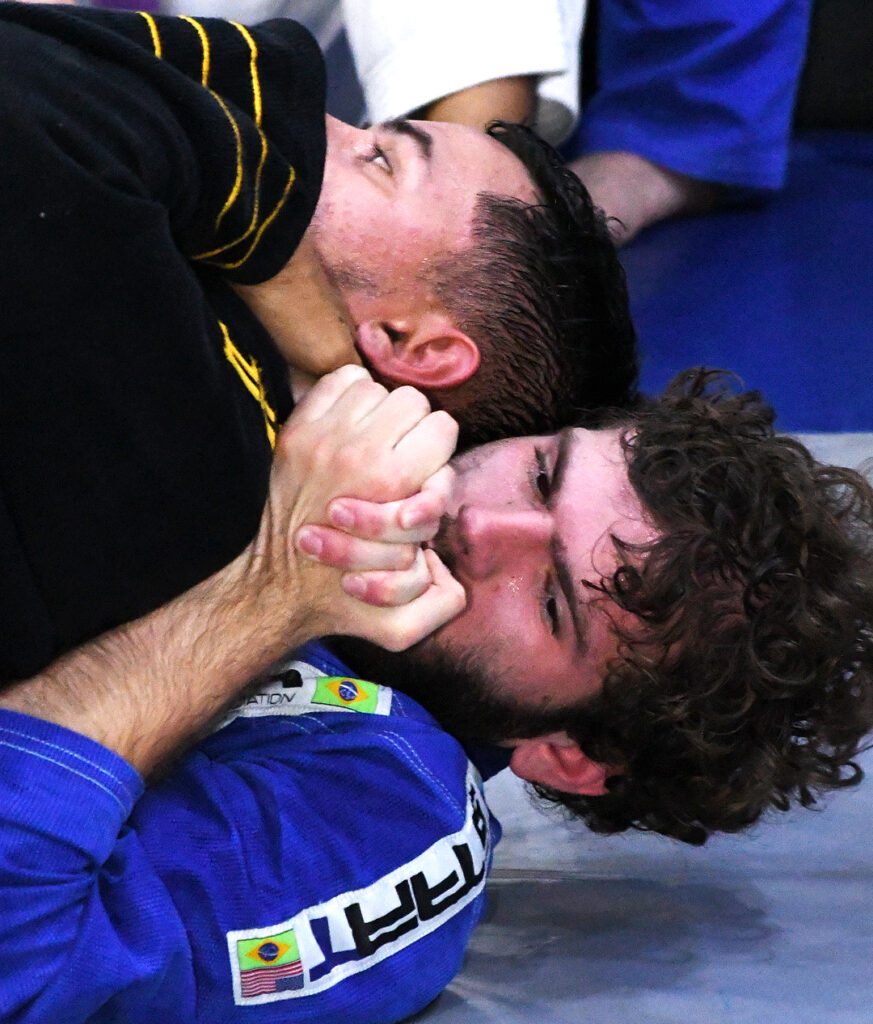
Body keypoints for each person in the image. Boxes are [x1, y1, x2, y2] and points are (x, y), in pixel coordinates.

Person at [2, 368, 872, 1022]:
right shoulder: (343, 430)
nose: (479, 525)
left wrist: (265, 599)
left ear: (570, 755)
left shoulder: (391, 821)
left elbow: (20, 953)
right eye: (540, 474)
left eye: (549, 600)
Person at [0, 2, 636, 685]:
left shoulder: (191, 443)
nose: (321, 125)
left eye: (380, 160)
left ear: (414, 346)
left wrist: (267, 230)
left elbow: (24, 95)